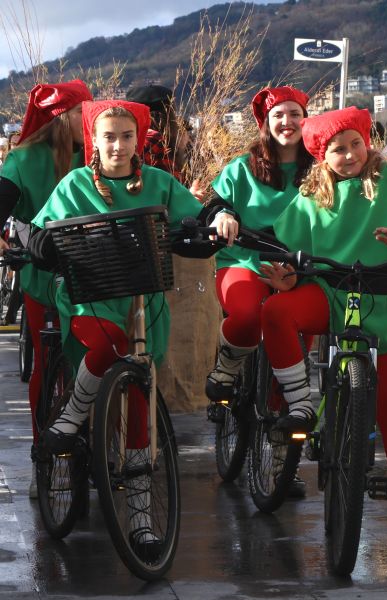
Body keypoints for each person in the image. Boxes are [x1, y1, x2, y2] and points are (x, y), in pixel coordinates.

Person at [28, 99, 237, 556]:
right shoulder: (76, 183)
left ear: (138, 139)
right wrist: (39, 243)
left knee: (141, 402)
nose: (118, 145)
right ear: (94, 140)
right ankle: (69, 419)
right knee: (114, 345)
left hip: (145, 302)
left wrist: (218, 216)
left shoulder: (158, 182)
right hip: (91, 301)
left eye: (127, 136)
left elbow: (197, 210)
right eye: (108, 137)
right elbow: (42, 229)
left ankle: (141, 520)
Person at [258, 106, 387, 548]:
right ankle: (302, 404)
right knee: (275, 312)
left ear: (367, 140)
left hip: (385, 299)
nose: (349, 155)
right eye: (337, 150)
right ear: (322, 155)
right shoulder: (312, 193)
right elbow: (285, 241)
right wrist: (286, 272)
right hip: (331, 291)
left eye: (356, 144)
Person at [0, 80, 92, 498]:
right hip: (46, 275)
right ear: (61, 119)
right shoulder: (22, 159)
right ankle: (43, 449)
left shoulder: (97, 150)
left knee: (86, 361)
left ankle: (87, 445)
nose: (89, 121)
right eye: (81, 114)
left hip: (95, 273)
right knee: (49, 359)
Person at [203, 86, 314, 404]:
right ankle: (228, 362)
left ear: (306, 119)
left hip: (299, 264)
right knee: (248, 316)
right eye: (278, 115)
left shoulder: (321, 169)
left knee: (295, 346)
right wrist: (223, 214)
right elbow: (216, 203)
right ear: (265, 122)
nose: (287, 121)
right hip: (245, 259)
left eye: (295, 114)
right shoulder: (242, 167)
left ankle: (284, 438)